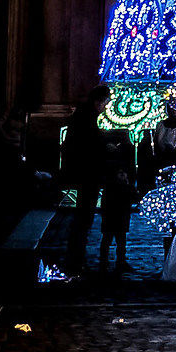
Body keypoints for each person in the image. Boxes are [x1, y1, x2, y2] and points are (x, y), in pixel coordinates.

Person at [58, 85, 110, 272]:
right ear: (98, 101)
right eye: (105, 103)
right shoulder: (87, 118)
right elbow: (89, 143)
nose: (105, 107)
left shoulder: (83, 116)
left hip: (83, 171)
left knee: (83, 215)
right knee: (84, 216)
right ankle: (76, 256)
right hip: (87, 172)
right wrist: (105, 145)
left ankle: (77, 254)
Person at [96, 127, 139, 276]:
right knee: (116, 236)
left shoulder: (109, 158)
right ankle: (115, 261)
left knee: (111, 235)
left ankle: (108, 261)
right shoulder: (120, 159)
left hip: (114, 202)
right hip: (118, 203)